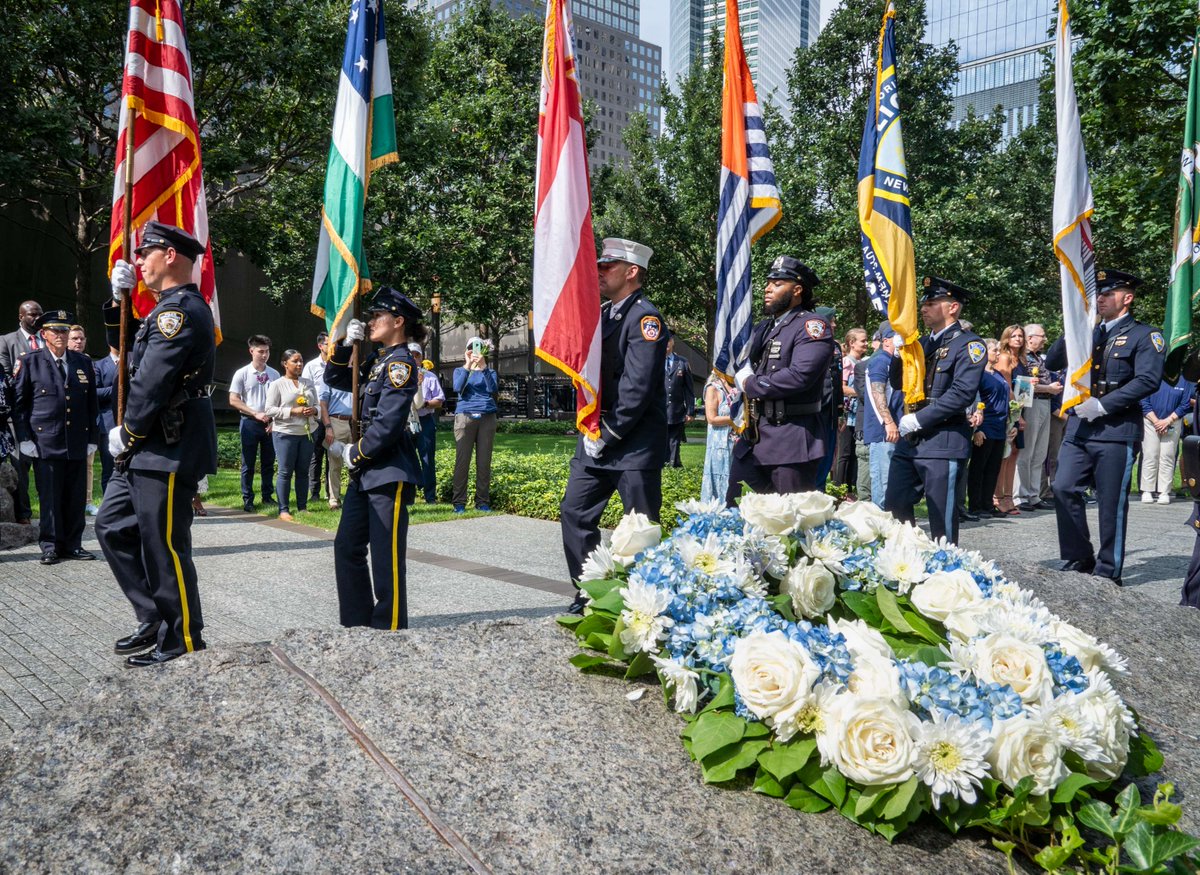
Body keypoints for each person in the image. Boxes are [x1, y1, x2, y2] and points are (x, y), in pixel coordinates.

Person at [98, 221, 216, 666]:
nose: (138, 262)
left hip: (167, 444)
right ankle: (153, 615)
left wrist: (127, 432)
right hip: (147, 445)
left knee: (164, 546)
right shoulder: (163, 310)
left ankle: (182, 637)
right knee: (111, 527)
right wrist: (117, 304)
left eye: (145, 253)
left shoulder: (180, 311)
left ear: (169, 255)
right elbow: (126, 355)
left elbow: (151, 381)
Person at [561, 238, 667, 607]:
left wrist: (609, 432)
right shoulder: (603, 314)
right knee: (574, 512)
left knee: (640, 529)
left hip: (632, 442)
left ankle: (642, 602)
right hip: (595, 439)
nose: (599, 272)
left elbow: (636, 387)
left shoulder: (645, 319)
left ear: (632, 271)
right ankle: (590, 590)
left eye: (608, 267)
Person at [1048, 269, 1163, 586]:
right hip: (1079, 429)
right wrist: (1074, 327)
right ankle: (1080, 555)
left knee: (1111, 503)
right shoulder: (1088, 331)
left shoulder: (1144, 336)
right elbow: (1052, 363)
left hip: (1116, 431)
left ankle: (1108, 569)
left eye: (1108, 293)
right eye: (1098, 292)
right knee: (1062, 486)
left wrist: (1104, 404)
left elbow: (1147, 380)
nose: (1100, 297)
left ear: (1127, 298)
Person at [325, 287, 425, 630]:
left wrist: (358, 451)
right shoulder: (376, 360)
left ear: (398, 321)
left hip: (387, 470)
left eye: (377, 316)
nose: (370, 322)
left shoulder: (400, 364)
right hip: (366, 471)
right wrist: (343, 345)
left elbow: (390, 422)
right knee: (347, 547)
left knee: (386, 558)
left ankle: (390, 628)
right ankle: (357, 625)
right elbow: (334, 377)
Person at [885, 276, 985, 544]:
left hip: (944, 439)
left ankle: (947, 573)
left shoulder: (969, 344)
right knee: (895, 507)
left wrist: (919, 418)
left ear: (952, 307)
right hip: (912, 441)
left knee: (941, 519)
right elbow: (898, 382)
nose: (923, 308)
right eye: (923, 303)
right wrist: (898, 352)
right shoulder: (923, 343)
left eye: (931, 303)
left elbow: (962, 392)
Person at [727, 256, 835, 503]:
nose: (767, 288)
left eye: (777, 284)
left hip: (791, 439)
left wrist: (750, 384)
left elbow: (800, 376)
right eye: (768, 283)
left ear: (797, 290)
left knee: (789, 523)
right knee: (737, 512)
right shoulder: (764, 327)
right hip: (754, 437)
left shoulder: (812, 325)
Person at [13, 309, 99, 564]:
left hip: (75, 441)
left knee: (74, 497)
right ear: (44, 334)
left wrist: (92, 436)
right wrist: (24, 438)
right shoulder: (30, 361)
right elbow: (20, 405)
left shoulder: (82, 362)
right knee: (50, 497)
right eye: (55, 330)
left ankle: (73, 544)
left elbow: (91, 403)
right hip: (45, 442)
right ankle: (50, 545)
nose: (61, 335)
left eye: (65, 330)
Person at [0, 299, 42, 525]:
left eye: (39, 314)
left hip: (45, 416)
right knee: (21, 467)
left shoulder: (47, 340)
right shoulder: (6, 341)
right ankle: (23, 514)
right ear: (21, 317)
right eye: (32, 315)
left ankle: (49, 513)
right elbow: (6, 377)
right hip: (19, 416)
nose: (37, 318)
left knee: (45, 468)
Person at [266, 349, 319, 521]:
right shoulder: (277, 384)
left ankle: (302, 507)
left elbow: (317, 404)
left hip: (307, 433)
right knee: (285, 471)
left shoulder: (308, 383)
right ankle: (284, 509)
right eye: (295, 361)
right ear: (284, 363)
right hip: (285, 434)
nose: (299, 364)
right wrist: (292, 411)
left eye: (301, 361)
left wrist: (314, 410)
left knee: (303, 471)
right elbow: (269, 409)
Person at [228, 334, 278, 513]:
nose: (264, 355)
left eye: (267, 351)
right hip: (249, 422)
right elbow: (233, 399)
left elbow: (279, 401)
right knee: (248, 463)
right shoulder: (242, 373)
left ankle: (267, 495)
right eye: (260, 351)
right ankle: (247, 498)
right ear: (251, 351)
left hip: (270, 423)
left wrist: (274, 420)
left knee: (268, 462)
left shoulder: (274, 374)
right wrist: (254, 412)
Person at [451, 336, 498, 513]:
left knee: (484, 462)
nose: (474, 351)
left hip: (487, 416)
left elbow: (493, 388)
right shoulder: (460, 370)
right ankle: (459, 502)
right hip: (465, 416)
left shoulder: (490, 372)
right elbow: (457, 387)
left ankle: (482, 501)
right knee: (462, 461)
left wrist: (484, 366)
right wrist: (468, 364)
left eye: (477, 347)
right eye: (471, 347)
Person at [965, 339, 1010, 520]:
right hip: (985, 425)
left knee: (993, 468)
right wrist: (977, 429)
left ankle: (988, 504)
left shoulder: (998, 374)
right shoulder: (978, 374)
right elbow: (975, 401)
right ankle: (975, 505)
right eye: (994, 350)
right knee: (979, 467)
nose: (998, 353)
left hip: (1000, 426)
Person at [862, 322, 902, 508]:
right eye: (898, 337)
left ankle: (892, 522)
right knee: (883, 481)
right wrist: (889, 422)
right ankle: (882, 526)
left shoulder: (895, 361)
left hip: (896, 427)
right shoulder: (880, 360)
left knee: (893, 481)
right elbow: (877, 393)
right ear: (886, 340)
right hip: (883, 430)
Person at [1016, 323, 1055, 510]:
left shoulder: (1039, 357)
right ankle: (1021, 495)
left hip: (1045, 402)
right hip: (1030, 403)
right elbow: (1022, 385)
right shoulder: (1022, 358)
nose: (1045, 339)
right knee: (1027, 451)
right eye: (1042, 335)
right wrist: (1048, 388)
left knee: (1040, 452)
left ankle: (1034, 494)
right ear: (1030, 337)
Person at [1139, 377, 1192, 504]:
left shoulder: (1184, 380)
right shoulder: (1153, 376)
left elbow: (1185, 404)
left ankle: (1164, 492)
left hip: (1173, 422)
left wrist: (1167, 421)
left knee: (1167, 456)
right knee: (1151, 455)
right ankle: (1147, 490)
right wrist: (1157, 422)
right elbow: (1143, 401)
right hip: (1151, 421)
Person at [65, 324, 100, 516]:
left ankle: (86, 500)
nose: (79, 342)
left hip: (83, 423)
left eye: (82, 338)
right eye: (75, 338)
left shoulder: (86, 361)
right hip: (62, 423)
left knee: (87, 465)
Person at [993, 325, 1027, 515]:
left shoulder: (1021, 358)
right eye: (1013, 336)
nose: (1018, 339)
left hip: (1021, 406)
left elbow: (1022, 387)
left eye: (1021, 336)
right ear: (1006, 338)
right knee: (1005, 454)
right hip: (1009, 408)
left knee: (1014, 452)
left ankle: (1008, 496)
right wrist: (1017, 414)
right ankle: (999, 497)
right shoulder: (1004, 357)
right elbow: (1007, 387)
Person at [318, 336, 354, 510]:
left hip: (355, 423)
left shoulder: (356, 375)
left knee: (356, 461)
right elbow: (323, 404)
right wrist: (328, 427)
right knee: (335, 463)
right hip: (336, 421)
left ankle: (354, 497)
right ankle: (334, 499)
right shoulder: (330, 376)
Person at [834, 328, 868, 490]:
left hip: (858, 414)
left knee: (855, 452)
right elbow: (841, 387)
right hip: (848, 414)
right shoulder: (847, 362)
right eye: (863, 341)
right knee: (845, 453)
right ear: (851, 343)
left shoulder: (862, 363)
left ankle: (851, 486)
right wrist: (863, 392)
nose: (866, 344)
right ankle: (841, 488)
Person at [813, 305, 842, 490]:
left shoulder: (835, 346)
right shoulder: (810, 344)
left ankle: (820, 495)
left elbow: (837, 380)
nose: (835, 324)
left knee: (827, 458)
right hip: (815, 412)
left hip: (831, 413)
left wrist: (840, 411)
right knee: (815, 459)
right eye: (831, 320)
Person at [700, 373, 739, 503]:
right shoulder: (713, 388)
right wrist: (737, 419)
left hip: (736, 443)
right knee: (720, 479)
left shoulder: (736, 387)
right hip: (719, 446)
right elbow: (711, 418)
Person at [301, 332, 329, 504]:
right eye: (328, 343)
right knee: (316, 456)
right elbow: (305, 390)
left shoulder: (336, 365)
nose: (331, 346)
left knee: (333, 455)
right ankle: (314, 492)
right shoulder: (311, 366)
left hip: (334, 416)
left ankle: (330, 492)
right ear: (320, 346)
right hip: (317, 417)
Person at [415, 355, 444, 503]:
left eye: (416, 356)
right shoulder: (400, 376)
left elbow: (439, 401)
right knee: (407, 458)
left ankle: (430, 496)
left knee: (427, 459)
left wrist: (425, 404)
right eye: (410, 355)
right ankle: (408, 495)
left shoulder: (430, 376)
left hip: (425, 420)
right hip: (407, 421)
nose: (413, 358)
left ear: (421, 358)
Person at [93, 341, 119, 501]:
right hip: (108, 423)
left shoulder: (134, 362)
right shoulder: (99, 365)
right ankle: (109, 504)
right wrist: (118, 389)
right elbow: (94, 392)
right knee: (109, 469)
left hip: (132, 423)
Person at [663, 335, 694, 468]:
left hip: (676, 410)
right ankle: (663, 464)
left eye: (668, 340)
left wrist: (690, 411)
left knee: (674, 440)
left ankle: (673, 465)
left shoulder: (683, 362)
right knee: (661, 439)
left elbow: (689, 389)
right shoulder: (654, 360)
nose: (666, 344)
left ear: (672, 342)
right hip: (659, 409)